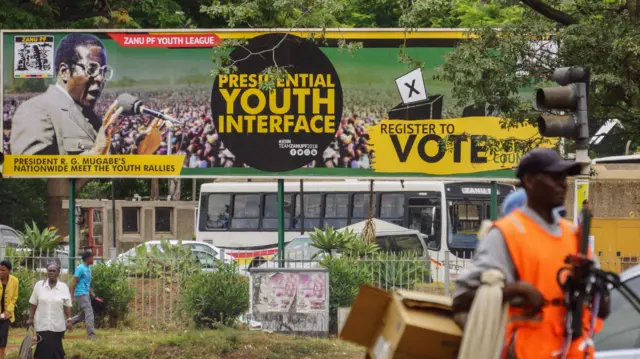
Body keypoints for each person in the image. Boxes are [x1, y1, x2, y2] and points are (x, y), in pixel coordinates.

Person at [452, 148, 610, 359]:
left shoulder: (574, 236)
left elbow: (603, 308)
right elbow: (461, 300)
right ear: (529, 181)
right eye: (554, 177)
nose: (563, 183)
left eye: (564, 177)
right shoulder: (506, 234)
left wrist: (590, 285)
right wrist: (518, 290)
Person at [10, 33, 121, 155]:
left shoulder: (94, 119)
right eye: (92, 68)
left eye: (103, 71)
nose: (100, 78)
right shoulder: (36, 110)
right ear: (65, 72)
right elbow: (29, 171)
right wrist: (95, 153)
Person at [26, 263, 73, 359]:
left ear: (58, 273)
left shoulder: (63, 287)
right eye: (49, 270)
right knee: (43, 349)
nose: (51, 273)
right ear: (47, 272)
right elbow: (33, 303)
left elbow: (67, 305)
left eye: (54, 271)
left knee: (56, 349)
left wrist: (69, 319)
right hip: (41, 324)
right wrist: (30, 318)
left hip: (57, 326)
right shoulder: (39, 286)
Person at [70, 251, 96, 340]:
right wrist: (72, 296)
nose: (93, 259)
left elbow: (85, 283)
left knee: (82, 316)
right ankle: (91, 335)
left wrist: (91, 292)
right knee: (89, 312)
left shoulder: (88, 268)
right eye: (92, 257)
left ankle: (63, 327)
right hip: (80, 294)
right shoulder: (80, 268)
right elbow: (74, 282)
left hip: (85, 293)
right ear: (87, 258)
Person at [0, 260, 18, 359]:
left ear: (9, 271)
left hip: (6, 315)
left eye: (3, 270)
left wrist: (8, 310)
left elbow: (14, 297)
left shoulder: (14, 281)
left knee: (2, 341)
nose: (1, 272)